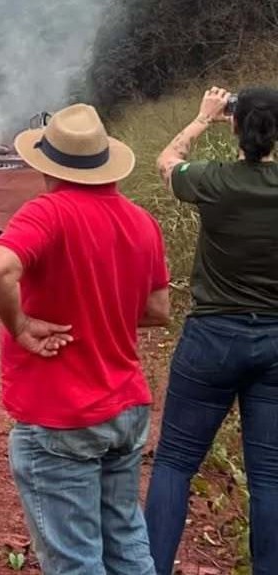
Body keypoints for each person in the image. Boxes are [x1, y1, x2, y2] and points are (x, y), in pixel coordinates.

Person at [0, 103, 171, 574]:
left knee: (74, 559)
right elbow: (157, 311)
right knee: (126, 540)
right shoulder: (140, 221)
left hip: (62, 414)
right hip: (125, 408)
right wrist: (101, 312)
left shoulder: (47, 213)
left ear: (50, 166)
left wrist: (21, 326)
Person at [146, 87, 278, 574]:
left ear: (236, 126)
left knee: (176, 463)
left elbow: (166, 162)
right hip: (276, 342)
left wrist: (203, 119)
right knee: (270, 478)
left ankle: (153, 567)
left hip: (213, 337)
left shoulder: (213, 180)